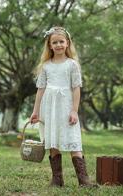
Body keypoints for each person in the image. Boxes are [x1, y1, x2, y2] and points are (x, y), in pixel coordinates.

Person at [30, 27, 96, 188]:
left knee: (74, 141)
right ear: (50, 45)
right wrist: (35, 111)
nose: (58, 44)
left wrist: (74, 110)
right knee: (53, 142)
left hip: (66, 106)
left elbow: (76, 88)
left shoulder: (72, 65)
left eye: (61, 41)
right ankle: (57, 180)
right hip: (49, 108)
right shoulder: (46, 66)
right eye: (55, 42)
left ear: (67, 43)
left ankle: (84, 180)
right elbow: (40, 90)